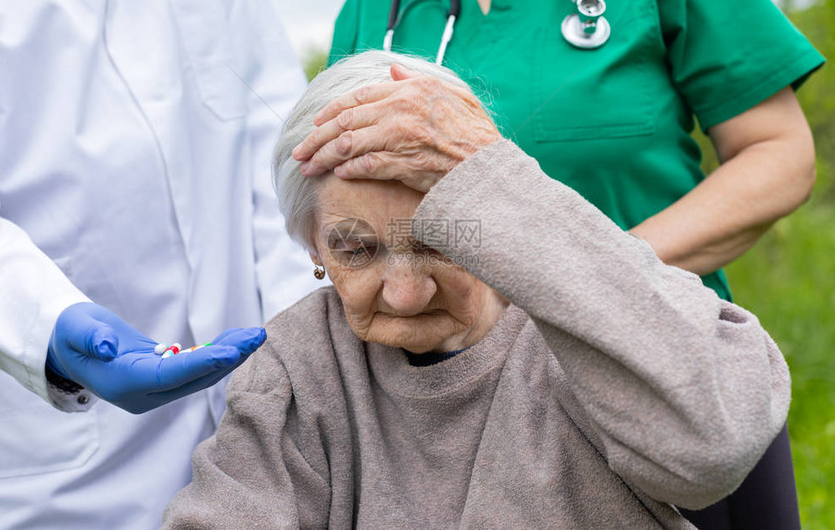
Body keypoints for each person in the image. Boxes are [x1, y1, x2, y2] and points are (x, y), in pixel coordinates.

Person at [162, 51, 791, 529]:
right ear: (314, 249)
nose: (405, 295)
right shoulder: (298, 367)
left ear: (492, 208)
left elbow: (719, 440)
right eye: (356, 249)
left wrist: (489, 173)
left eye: (438, 236)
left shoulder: (589, 326)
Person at [326, 0, 824, 527]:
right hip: (461, 407)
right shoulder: (374, 1)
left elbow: (780, 153)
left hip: (665, 378)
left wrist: (575, 270)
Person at [0, 0, 319, 528]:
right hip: (53, 476)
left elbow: (280, 143)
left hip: (251, 451)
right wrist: (47, 326)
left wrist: (308, 346)